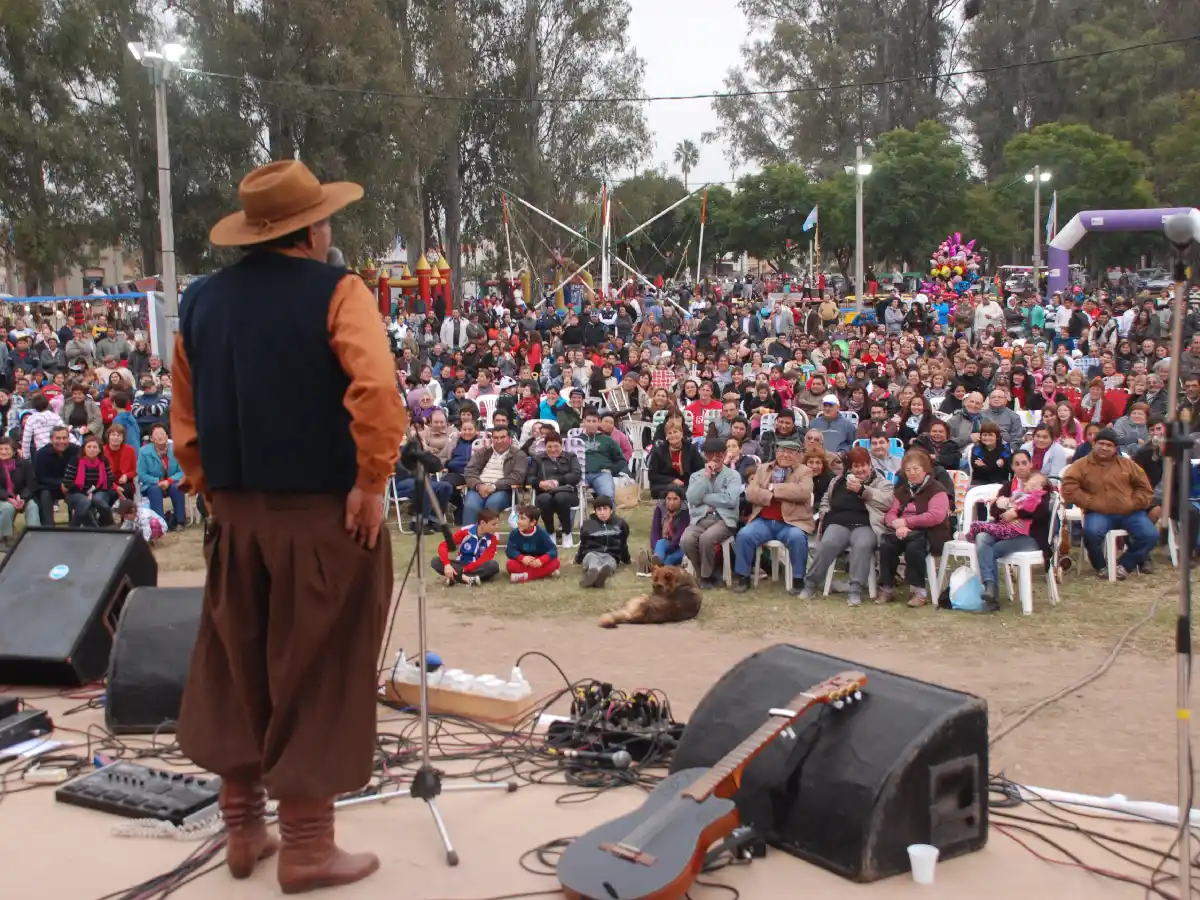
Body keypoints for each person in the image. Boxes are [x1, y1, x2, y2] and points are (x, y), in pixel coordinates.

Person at [172, 160, 407, 891]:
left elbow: (184, 416)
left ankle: (243, 828)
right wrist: (371, 483)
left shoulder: (199, 303)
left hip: (235, 516)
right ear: (311, 230)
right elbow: (376, 387)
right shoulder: (338, 291)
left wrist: (212, 492)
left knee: (236, 656)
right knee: (320, 662)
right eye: (326, 218)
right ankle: (307, 845)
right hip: (321, 515)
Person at [801, 446, 894, 606]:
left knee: (862, 544)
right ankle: (811, 583)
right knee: (828, 543)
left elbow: (887, 502)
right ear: (850, 468)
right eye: (856, 466)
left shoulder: (881, 482)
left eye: (863, 465)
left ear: (870, 465)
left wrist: (863, 490)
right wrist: (824, 513)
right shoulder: (837, 481)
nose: (860, 469)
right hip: (839, 522)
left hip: (865, 525)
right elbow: (825, 500)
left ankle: (855, 589)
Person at [1061, 426, 1156, 580]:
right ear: (1094, 444)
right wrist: (1089, 502)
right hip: (1098, 512)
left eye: (1109, 445)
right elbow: (1069, 487)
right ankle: (1101, 566)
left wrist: (1133, 503)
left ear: (1115, 448)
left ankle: (1125, 565)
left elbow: (1145, 488)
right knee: (1091, 534)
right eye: (1101, 444)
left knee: (1150, 535)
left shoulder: (1128, 465)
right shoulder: (1080, 465)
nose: (1104, 448)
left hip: (1129, 512)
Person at [970, 452, 1054, 609]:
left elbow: (1041, 511)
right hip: (1007, 531)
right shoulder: (1008, 487)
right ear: (1012, 467)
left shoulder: (1040, 484)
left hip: (1031, 537)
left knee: (992, 549)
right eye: (1017, 464)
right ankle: (990, 587)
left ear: (1031, 464)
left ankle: (991, 593)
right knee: (982, 537)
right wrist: (1005, 508)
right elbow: (994, 510)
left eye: (1024, 463)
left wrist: (1017, 512)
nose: (1021, 467)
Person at [732, 439, 814, 594]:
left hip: (791, 522)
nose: (785, 455)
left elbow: (803, 493)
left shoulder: (804, 471)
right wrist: (771, 496)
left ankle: (798, 580)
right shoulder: (763, 468)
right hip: (764, 520)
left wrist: (773, 488)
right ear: (776, 453)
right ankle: (743, 577)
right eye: (782, 451)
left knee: (797, 538)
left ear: (798, 455)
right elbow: (750, 493)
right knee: (744, 535)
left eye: (790, 452)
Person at [877, 449, 952, 608]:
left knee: (914, 547)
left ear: (925, 470)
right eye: (908, 470)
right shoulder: (903, 489)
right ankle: (886, 588)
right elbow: (891, 513)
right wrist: (895, 523)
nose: (912, 473)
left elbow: (935, 516)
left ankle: (919, 591)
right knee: (886, 545)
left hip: (931, 532)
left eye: (916, 469)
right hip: (903, 530)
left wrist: (906, 522)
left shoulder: (937, 489)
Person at [681, 436, 743, 588]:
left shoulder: (733, 475)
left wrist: (705, 498)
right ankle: (707, 573)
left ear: (724, 454)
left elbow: (729, 500)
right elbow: (692, 498)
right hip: (701, 518)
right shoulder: (697, 476)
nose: (715, 457)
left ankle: (706, 577)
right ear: (705, 455)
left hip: (724, 519)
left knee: (706, 539)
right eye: (711, 454)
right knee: (686, 540)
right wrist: (705, 477)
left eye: (719, 454)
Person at [462, 426, 528, 525]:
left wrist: (494, 486)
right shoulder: (483, 452)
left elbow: (517, 477)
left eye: (502, 437)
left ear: (509, 438)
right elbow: (470, 471)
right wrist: (479, 486)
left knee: (492, 504)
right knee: (471, 505)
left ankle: (487, 537)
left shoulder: (519, 455)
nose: (499, 441)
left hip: (503, 490)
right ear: (492, 439)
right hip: (479, 488)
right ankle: (468, 536)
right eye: (496, 438)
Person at [530, 431, 582, 547]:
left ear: (561, 445)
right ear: (545, 446)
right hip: (544, 492)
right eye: (549, 446)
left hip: (566, 492)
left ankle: (567, 532)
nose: (553, 450)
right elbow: (529, 478)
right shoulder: (538, 459)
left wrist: (558, 481)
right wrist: (540, 483)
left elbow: (576, 475)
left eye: (556, 446)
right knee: (544, 500)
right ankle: (550, 533)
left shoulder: (570, 457)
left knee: (561, 497)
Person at [137, 424, 188, 531]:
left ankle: (180, 521)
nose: (160, 436)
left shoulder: (175, 449)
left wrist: (169, 481)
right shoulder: (143, 451)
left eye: (162, 433)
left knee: (176, 487)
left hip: (171, 482)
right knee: (155, 490)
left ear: (167, 436)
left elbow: (182, 471)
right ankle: (160, 523)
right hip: (152, 484)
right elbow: (142, 474)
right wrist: (158, 481)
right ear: (151, 438)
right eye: (156, 434)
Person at [433, 508, 500, 586]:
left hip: (477, 566)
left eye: (497, 524)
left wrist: (464, 570)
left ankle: (457, 578)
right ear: (482, 523)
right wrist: (447, 565)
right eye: (493, 524)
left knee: (493, 565)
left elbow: (485, 559)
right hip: (460, 564)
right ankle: (468, 579)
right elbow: (443, 546)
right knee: (436, 561)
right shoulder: (466, 531)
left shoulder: (494, 537)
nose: (497, 527)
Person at [575, 495, 631, 588]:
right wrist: (578, 559)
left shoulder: (620, 524)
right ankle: (593, 572)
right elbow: (583, 544)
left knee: (609, 564)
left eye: (605, 509)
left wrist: (627, 559)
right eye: (599, 509)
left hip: (611, 555)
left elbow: (623, 544)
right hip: (592, 553)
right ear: (595, 511)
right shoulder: (588, 525)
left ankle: (599, 576)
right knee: (592, 560)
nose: (602, 512)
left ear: (611, 510)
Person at [62, 433, 116, 527]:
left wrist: (93, 492)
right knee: (85, 503)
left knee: (99, 501)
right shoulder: (75, 461)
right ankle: (76, 528)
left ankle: (106, 524)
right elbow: (67, 482)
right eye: (89, 447)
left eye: (95, 447)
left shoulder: (104, 461)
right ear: (84, 449)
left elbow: (109, 480)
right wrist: (85, 492)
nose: (92, 449)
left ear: (99, 450)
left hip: (100, 490)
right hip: (76, 492)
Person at [647, 419, 704, 499]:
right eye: (669, 433)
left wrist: (690, 480)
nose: (673, 435)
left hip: (686, 483)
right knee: (668, 491)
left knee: (692, 489)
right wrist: (673, 480)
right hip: (665, 484)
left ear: (681, 433)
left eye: (675, 432)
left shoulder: (690, 448)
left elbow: (700, 469)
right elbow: (652, 475)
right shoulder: (659, 450)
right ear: (666, 436)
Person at [33, 425, 77, 528]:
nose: (61, 441)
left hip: (70, 486)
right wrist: (60, 484)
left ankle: (76, 526)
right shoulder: (41, 454)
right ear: (51, 439)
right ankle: (48, 527)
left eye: (64, 438)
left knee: (77, 493)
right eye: (58, 438)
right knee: (45, 494)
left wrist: (67, 484)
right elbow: (41, 477)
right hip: (49, 487)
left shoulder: (76, 451)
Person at [579, 409, 628, 501]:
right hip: (581, 474)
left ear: (599, 422)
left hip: (601, 474)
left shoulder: (607, 440)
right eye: (588, 421)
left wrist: (611, 470)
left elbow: (621, 460)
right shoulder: (576, 440)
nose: (591, 424)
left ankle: (609, 515)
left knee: (608, 497)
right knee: (572, 499)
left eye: (594, 421)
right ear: (583, 422)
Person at [505, 505, 561, 583]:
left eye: (523, 518)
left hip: (538, 561)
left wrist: (542, 560)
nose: (518, 521)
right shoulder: (514, 534)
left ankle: (525, 576)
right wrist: (522, 558)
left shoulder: (541, 533)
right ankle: (545, 572)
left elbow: (553, 550)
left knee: (556, 562)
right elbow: (510, 551)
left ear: (532, 522)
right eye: (518, 518)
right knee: (510, 564)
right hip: (523, 562)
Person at [0, 437, 38, 548]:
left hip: (21, 497)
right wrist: (8, 498)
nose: (3, 452)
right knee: (7, 507)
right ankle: (6, 538)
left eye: (6, 449)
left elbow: (31, 484)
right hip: (3, 499)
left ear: (14, 450)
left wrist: (22, 498)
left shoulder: (24, 464)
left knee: (32, 506)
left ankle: (34, 535)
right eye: (1, 449)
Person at [643, 484, 690, 570]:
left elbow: (680, 535)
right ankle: (657, 559)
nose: (671, 502)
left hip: (679, 546)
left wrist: (667, 550)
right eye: (669, 499)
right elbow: (655, 531)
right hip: (663, 543)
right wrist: (656, 547)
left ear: (681, 499)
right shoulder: (660, 508)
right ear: (665, 499)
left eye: (675, 499)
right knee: (660, 543)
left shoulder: (685, 510)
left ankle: (654, 567)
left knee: (669, 559)